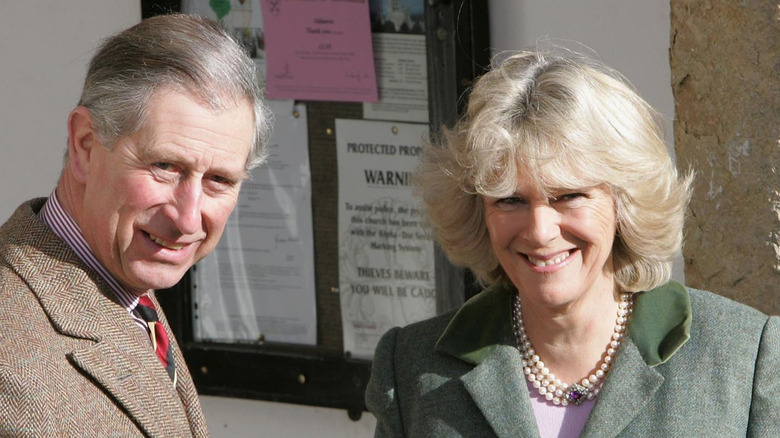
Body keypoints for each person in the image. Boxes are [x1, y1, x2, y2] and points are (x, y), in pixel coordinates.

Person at [365, 49, 779, 437]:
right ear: (478, 212)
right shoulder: (411, 368)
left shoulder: (746, 358)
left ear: (624, 201)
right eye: (510, 199)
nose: (540, 231)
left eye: (568, 196)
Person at [0, 14, 271, 437]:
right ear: (86, 145)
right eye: (165, 167)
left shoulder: (126, 290)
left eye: (219, 180)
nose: (187, 218)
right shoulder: (12, 346)